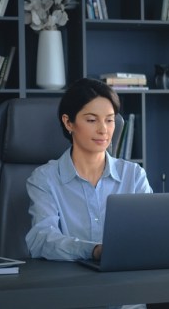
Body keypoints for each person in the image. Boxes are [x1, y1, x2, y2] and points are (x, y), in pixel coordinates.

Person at [25, 77, 152, 263]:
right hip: (70, 284)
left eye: (109, 120)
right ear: (69, 123)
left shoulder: (133, 175)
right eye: (92, 120)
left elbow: (151, 231)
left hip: (126, 278)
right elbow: (42, 239)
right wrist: (93, 250)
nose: (103, 130)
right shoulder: (44, 179)